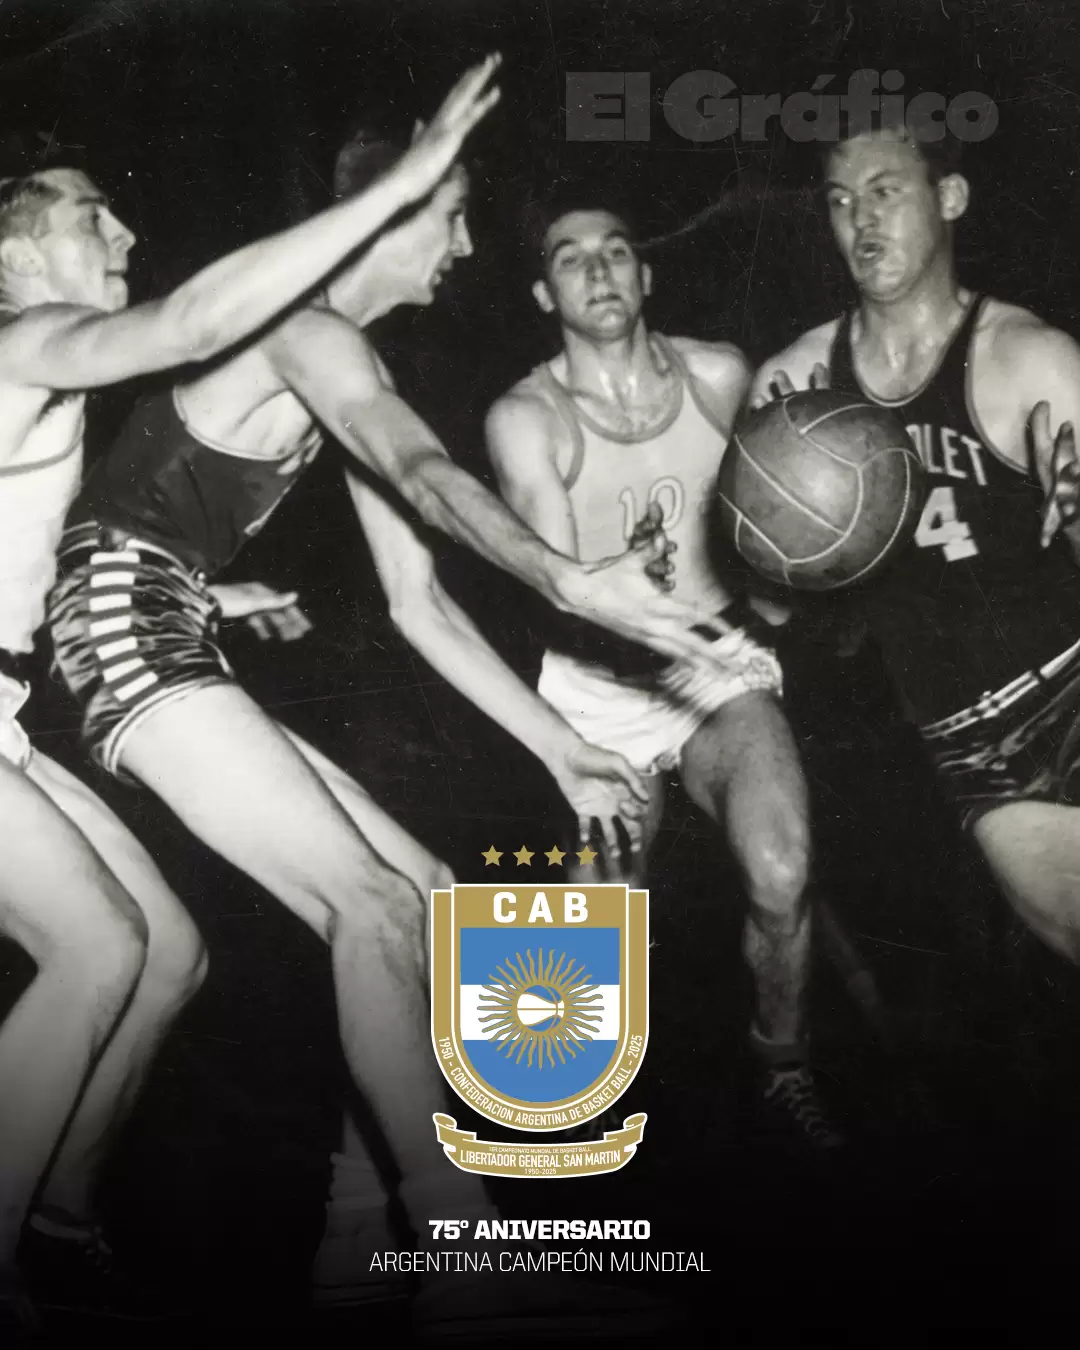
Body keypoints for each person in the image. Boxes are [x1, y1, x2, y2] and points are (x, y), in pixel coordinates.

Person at [45, 119, 675, 1337]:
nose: (467, 246)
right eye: (453, 216)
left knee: (426, 900)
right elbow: (427, 472)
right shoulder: (308, 331)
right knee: (371, 907)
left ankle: (353, 1230)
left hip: (163, 624)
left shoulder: (341, 353)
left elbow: (418, 600)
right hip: (120, 625)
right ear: (391, 214)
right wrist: (563, 577)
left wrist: (562, 749)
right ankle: (464, 1260)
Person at [0, 54, 519, 1326]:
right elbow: (191, 324)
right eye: (89, 216)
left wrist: (206, 594)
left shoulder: (46, 380)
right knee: (100, 945)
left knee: (167, 954)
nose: (123, 233)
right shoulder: (26, 341)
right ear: (14, 255)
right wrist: (397, 182)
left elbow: (47, 547)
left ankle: (61, 1221)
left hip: (10, 707)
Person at [483, 197, 843, 1156]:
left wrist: (794, 568)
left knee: (782, 870)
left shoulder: (719, 373)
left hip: (713, 670)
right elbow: (563, 593)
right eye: (571, 258)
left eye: (617, 251)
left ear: (647, 276)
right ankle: (566, 1123)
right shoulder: (526, 418)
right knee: (596, 930)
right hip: (597, 696)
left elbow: (779, 512)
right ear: (543, 293)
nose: (598, 270)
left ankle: (784, 1067)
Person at [753, 114, 1080, 973]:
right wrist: (781, 535)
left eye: (885, 191)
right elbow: (770, 609)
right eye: (840, 200)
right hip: (973, 739)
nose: (860, 219)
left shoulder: (1030, 360)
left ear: (951, 196)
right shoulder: (795, 387)